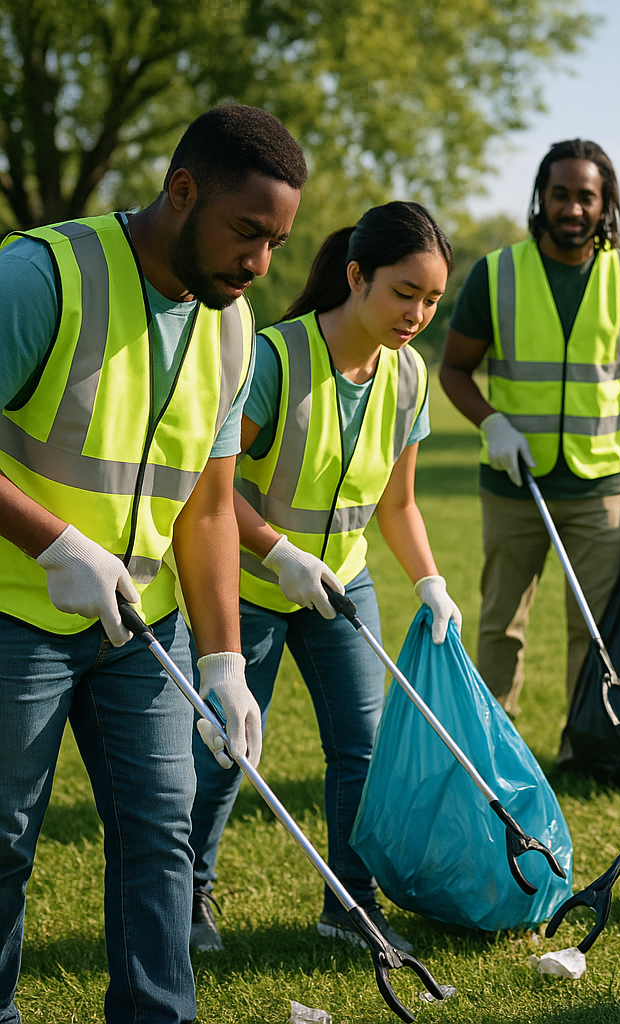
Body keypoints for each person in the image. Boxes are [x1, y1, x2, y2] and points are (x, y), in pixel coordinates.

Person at [0, 105, 306, 1024]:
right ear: (182, 192)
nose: (259, 263)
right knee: (4, 843)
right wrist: (51, 542)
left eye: (277, 243)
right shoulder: (39, 275)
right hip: (17, 613)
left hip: (145, 630)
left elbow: (211, 503)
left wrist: (224, 662)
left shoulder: (234, 326)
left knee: (161, 835)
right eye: (246, 233)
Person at [188, 201, 461, 955]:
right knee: (227, 745)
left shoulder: (409, 379)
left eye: (432, 300)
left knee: (361, 750)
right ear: (356, 276)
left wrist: (430, 580)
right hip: (248, 586)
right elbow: (208, 492)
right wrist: (279, 552)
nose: (417, 314)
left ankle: (349, 902)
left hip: (342, 585)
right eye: (404, 292)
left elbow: (398, 504)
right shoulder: (275, 358)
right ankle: (189, 896)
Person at [439, 138, 620, 740]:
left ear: (606, 204)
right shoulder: (496, 273)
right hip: (514, 487)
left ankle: (586, 743)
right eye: (561, 194)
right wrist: (492, 423)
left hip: (602, 488)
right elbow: (453, 370)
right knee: (500, 625)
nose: (573, 208)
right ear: (541, 199)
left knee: (594, 626)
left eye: (586, 197)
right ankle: (492, 751)